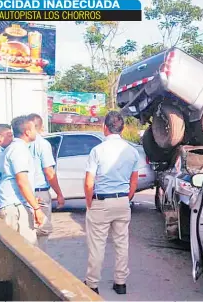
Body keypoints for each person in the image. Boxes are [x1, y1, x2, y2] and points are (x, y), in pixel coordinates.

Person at [83, 111, 139, 295]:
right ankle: (120, 283)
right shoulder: (131, 151)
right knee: (122, 243)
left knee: (97, 244)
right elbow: (134, 180)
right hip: (122, 201)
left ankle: (92, 284)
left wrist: (90, 202)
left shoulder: (97, 150)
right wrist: (127, 197)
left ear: (105, 128)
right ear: (122, 129)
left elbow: (89, 181)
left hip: (102, 201)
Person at [0, 116, 45, 246]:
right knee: (27, 251)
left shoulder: (14, 148)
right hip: (15, 207)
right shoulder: (19, 150)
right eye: (34, 128)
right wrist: (36, 208)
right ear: (27, 132)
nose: (36, 131)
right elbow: (22, 181)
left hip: (15, 204)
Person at [27, 113, 65, 252]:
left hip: (24, 194)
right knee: (42, 232)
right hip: (40, 193)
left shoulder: (19, 144)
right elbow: (49, 172)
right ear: (41, 127)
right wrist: (59, 194)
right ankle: (38, 265)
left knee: (28, 231)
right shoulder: (42, 144)